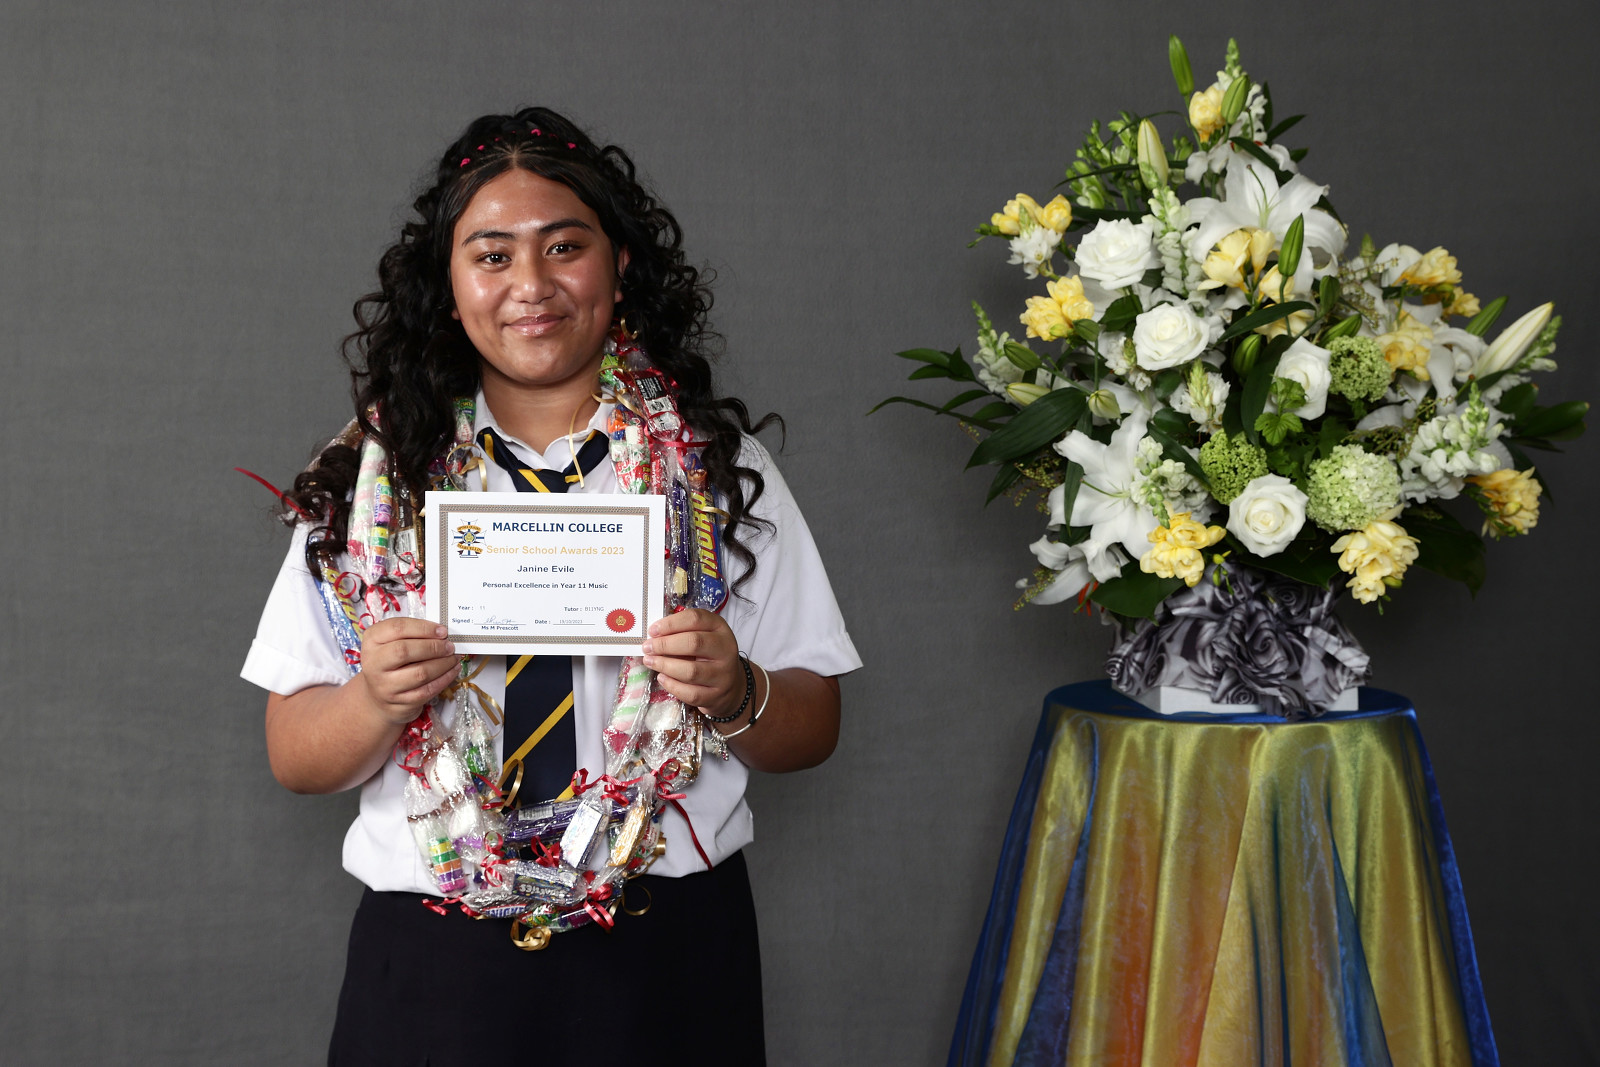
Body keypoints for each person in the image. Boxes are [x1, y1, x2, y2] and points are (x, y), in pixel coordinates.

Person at [240, 107, 860, 1065]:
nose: (530, 284)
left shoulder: (714, 472)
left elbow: (812, 727)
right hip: (437, 951)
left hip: (665, 942)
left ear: (619, 265)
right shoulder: (373, 484)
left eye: (564, 247)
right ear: (449, 287)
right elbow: (294, 751)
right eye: (492, 255)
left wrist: (737, 689)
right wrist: (374, 698)